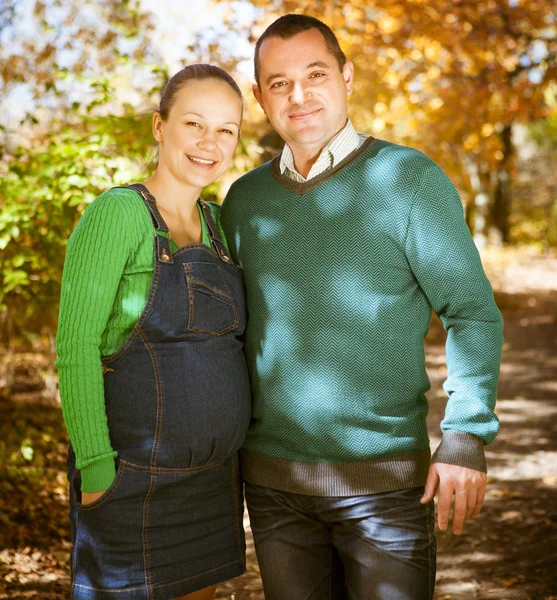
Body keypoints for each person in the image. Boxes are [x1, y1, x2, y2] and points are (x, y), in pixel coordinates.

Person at [220, 14, 504, 600]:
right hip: (275, 491)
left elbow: (471, 310)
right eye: (278, 83)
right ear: (259, 97)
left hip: (385, 491)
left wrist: (466, 434)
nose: (298, 95)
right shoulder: (243, 201)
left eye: (315, 73)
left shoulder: (407, 180)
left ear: (347, 76)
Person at [56, 64, 251, 600]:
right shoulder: (118, 215)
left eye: (226, 129)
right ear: (159, 126)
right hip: (131, 482)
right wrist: (97, 470)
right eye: (194, 123)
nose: (210, 143)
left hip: (211, 484)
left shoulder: (219, 225)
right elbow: (75, 350)